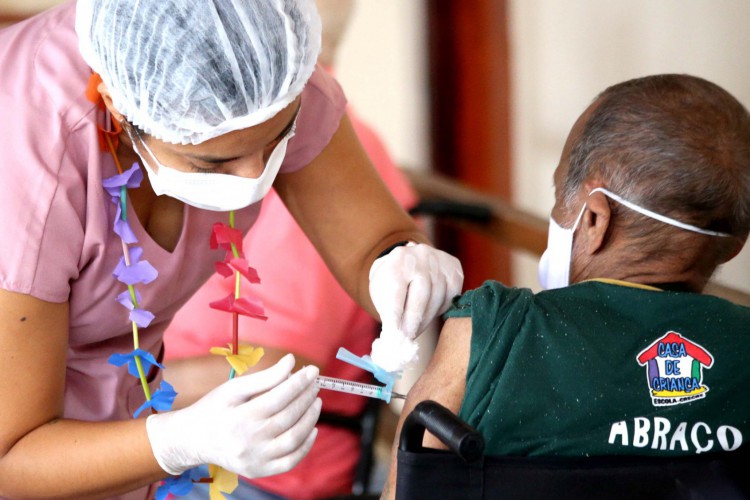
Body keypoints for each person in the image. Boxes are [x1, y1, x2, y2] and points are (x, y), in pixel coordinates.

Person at [0, 0, 463, 498]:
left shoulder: (265, 71)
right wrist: (180, 440)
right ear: (117, 106)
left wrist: (397, 263)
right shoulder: (28, 171)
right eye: (212, 163)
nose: (254, 180)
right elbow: (10, 460)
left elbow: (375, 240)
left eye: (278, 141)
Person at [381, 74, 750, 498]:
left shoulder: (491, 330)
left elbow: (404, 491)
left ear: (595, 219)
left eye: (561, 193)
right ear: (734, 248)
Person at [162, 0, 418, 498]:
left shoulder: (316, 163)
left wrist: (109, 386)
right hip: (176, 435)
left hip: (252, 471)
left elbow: (273, 369)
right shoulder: (214, 136)